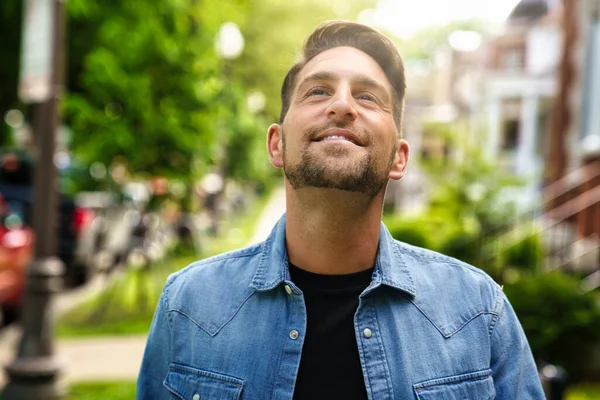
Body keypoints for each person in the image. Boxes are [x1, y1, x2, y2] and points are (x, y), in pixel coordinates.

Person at [137, 21, 545, 399]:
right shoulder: (187, 304)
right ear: (277, 144)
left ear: (399, 158)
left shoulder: (479, 313)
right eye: (317, 91)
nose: (342, 106)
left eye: (367, 96)